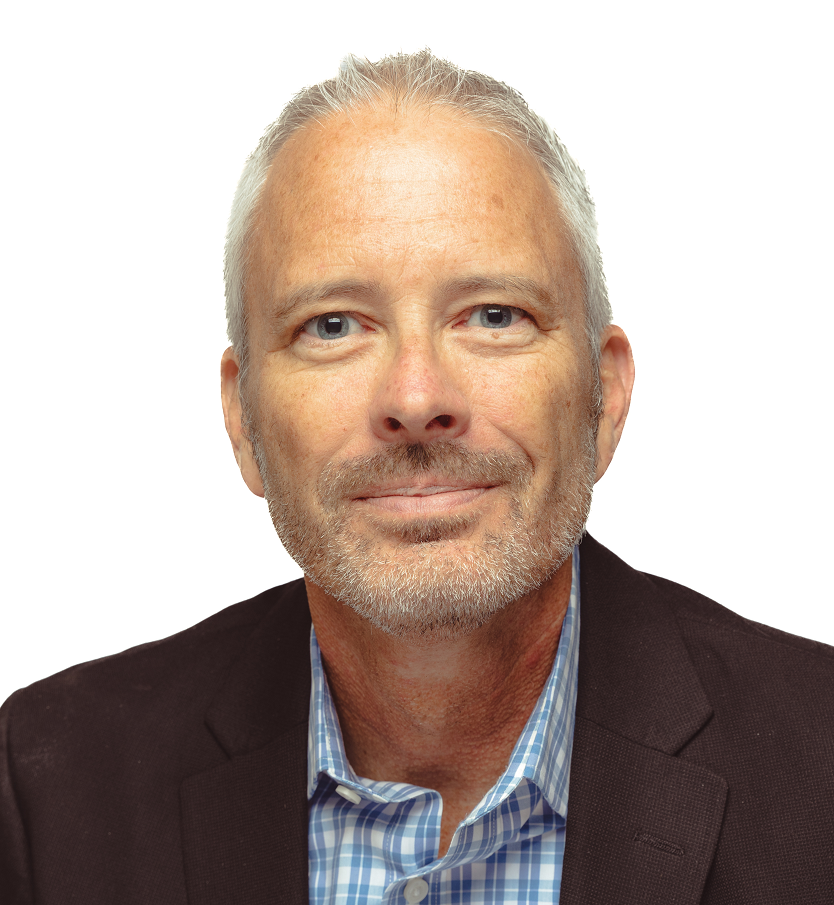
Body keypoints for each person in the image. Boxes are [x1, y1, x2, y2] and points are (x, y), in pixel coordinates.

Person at [1, 50, 832, 905]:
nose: (415, 398)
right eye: (332, 325)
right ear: (243, 419)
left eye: (494, 315)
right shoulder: (52, 787)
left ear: (604, 396)